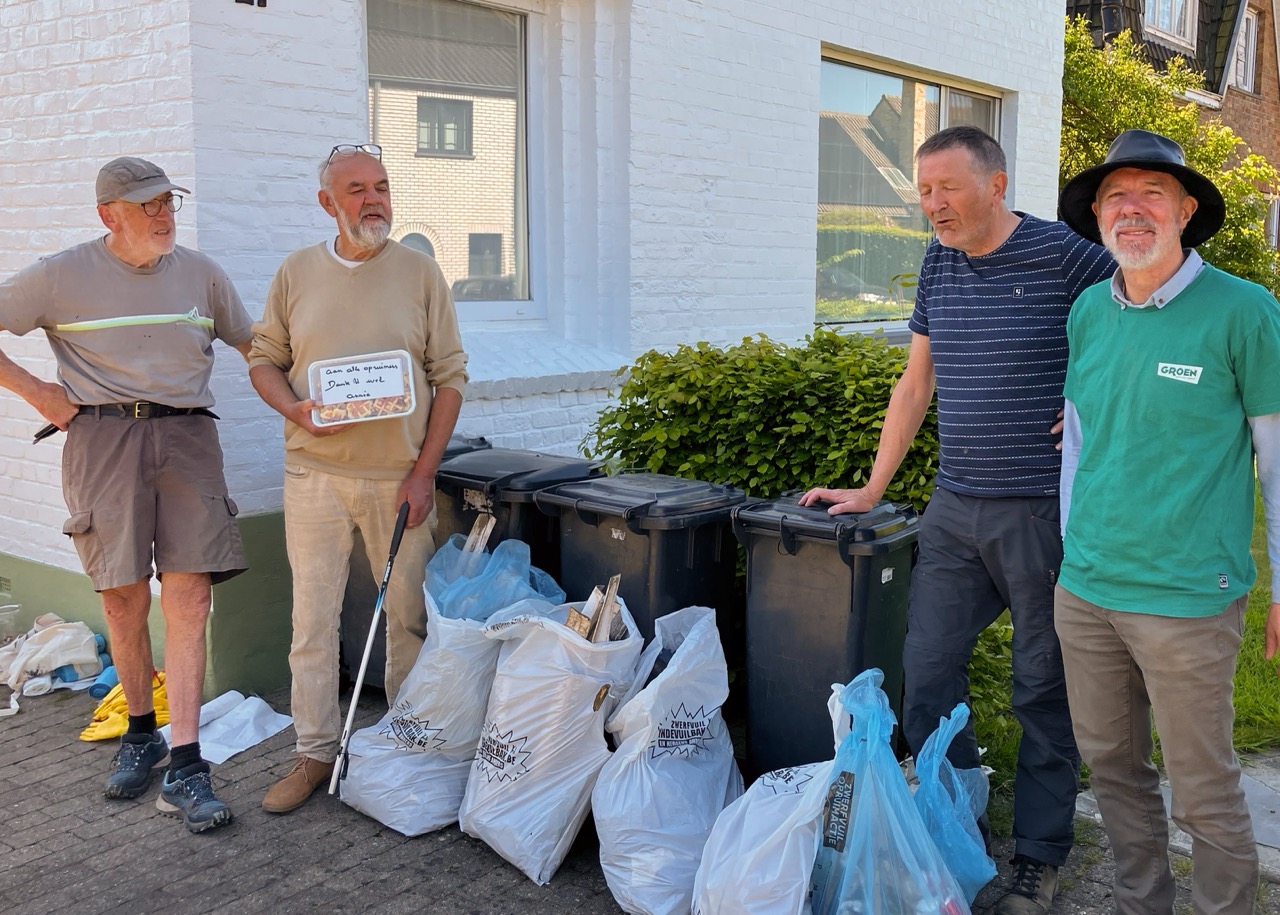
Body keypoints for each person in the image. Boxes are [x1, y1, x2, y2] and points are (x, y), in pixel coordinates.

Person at [802, 125, 1115, 913]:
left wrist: (1097, 397)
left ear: (997, 184)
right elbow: (915, 385)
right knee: (927, 673)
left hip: (1042, 512)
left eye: (947, 187)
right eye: (924, 190)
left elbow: (1140, 310)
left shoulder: (1067, 254)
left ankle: (1039, 856)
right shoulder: (940, 262)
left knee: (1042, 685)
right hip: (955, 506)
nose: (932, 204)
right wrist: (873, 488)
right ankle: (957, 816)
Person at [1055, 129, 1280, 914]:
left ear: (1186, 209)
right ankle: (1138, 902)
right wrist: (1066, 557)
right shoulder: (1088, 310)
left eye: (1152, 192)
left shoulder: (1245, 311)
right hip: (1085, 590)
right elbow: (1079, 442)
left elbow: (1276, 456)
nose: (1132, 209)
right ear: (1097, 215)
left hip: (1188, 596)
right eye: (1115, 196)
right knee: (1113, 768)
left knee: (1204, 790)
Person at [0, 157, 253, 833]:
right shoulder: (60, 273)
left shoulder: (202, 273)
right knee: (121, 594)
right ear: (108, 215)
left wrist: (323, 390)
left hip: (190, 439)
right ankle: (142, 732)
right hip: (102, 439)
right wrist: (39, 392)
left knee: (190, 595)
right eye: (149, 206)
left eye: (169, 202)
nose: (165, 215)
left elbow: (256, 345)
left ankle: (189, 764)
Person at [249, 143, 468, 814]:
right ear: (327, 202)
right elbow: (264, 361)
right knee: (311, 621)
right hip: (312, 475)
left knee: (406, 617)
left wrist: (424, 472)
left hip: (398, 479)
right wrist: (292, 409)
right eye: (356, 190)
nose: (374, 199)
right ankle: (314, 751)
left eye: (381, 186)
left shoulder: (421, 273)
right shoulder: (295, 273)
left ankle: (404, 750)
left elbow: (450, 379)